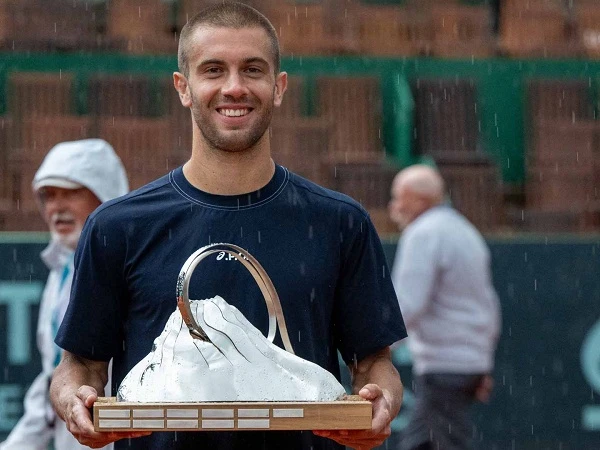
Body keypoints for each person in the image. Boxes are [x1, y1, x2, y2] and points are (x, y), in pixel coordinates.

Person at [49, 3, 406, 450]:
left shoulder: (341, 222)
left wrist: (381, 400)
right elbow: (80, 365)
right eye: (213, 70)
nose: (234, 87)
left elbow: (373, 364)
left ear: (278, 87)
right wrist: (74, 399)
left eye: (252, 70)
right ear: (184, 88)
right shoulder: (117, 226)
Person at [0, 139, 129, 450]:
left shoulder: (131, 270)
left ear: (105, 195)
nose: (57, 208)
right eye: (49, 195)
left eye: (71, 193)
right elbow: (53, 378)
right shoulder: (60, 272)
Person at [388, 164, 501, 450]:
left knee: (432, 443)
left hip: (444, 366)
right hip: (466, 364)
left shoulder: (423, 233)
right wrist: (481, 363)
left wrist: (376, 348)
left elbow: (408, 305)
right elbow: (488, 304)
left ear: (419, 200)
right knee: (427, 442)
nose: (394, 206)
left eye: (399, 197)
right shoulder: (465, 230)